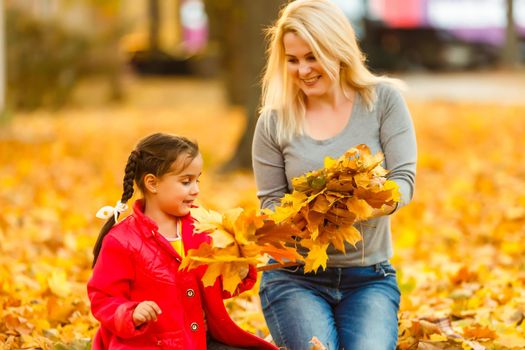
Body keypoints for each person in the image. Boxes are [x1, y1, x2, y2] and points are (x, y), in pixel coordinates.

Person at [252, 1, 417, 349]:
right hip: (294, 277)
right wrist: (307, 217)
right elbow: (270, 202)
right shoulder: (274, 121)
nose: (303, 70)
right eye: (293, 60)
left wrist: (366, 207)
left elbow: (403, 179)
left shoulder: (382, 100)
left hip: (369, 277)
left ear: (337, 50)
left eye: (312, 57)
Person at [88, 133, 276, 350]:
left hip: (200, 341)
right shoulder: (122, 241)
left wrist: (237, 271)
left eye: (197, 180)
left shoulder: (200, 227)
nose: (195, 189)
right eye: (186, 182)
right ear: (152, 183)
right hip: (150, 344)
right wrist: (131, 313)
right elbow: (103, 298)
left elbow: (212, 288)